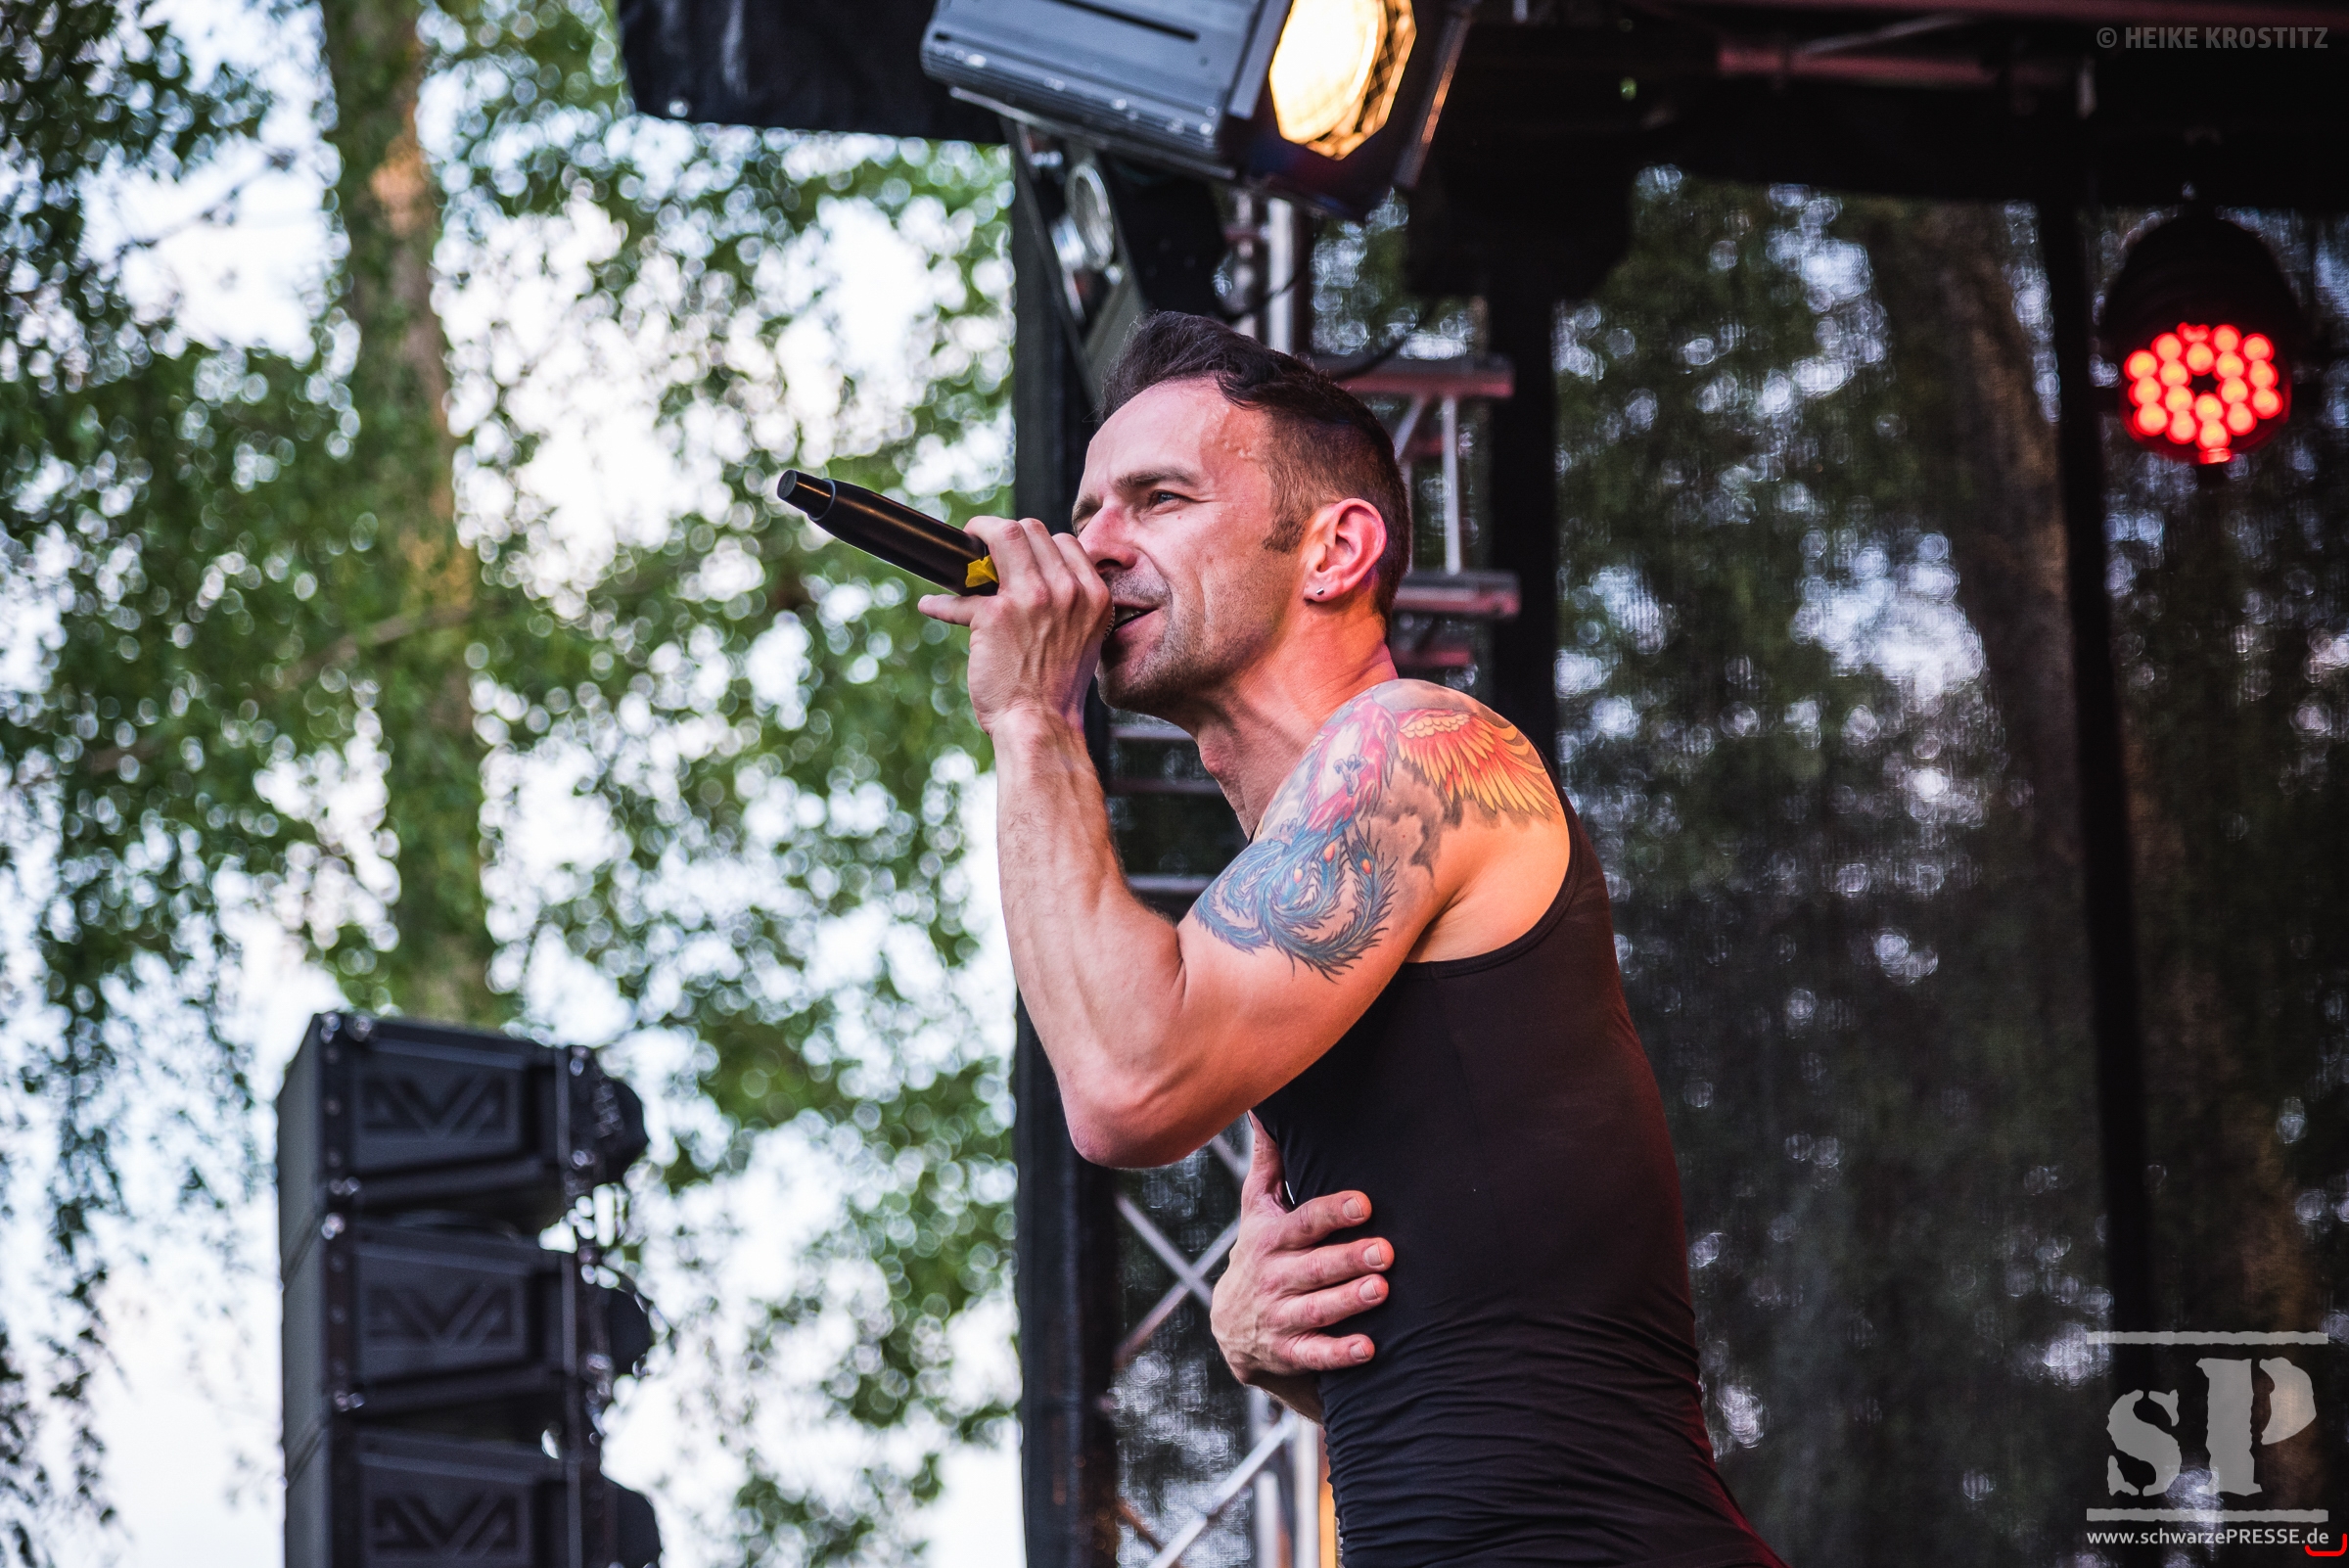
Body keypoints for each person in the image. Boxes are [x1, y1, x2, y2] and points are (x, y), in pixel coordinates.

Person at [918, 312, 1782, 1568]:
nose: (1092, 547)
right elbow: (1504, 1348)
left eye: (1158, 500)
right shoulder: (1287, 901)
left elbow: (1126, 1083)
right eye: (1088, 509)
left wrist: (1031, 721)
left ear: (1336, 549)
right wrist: (1265, 1339)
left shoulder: (1419, 746)